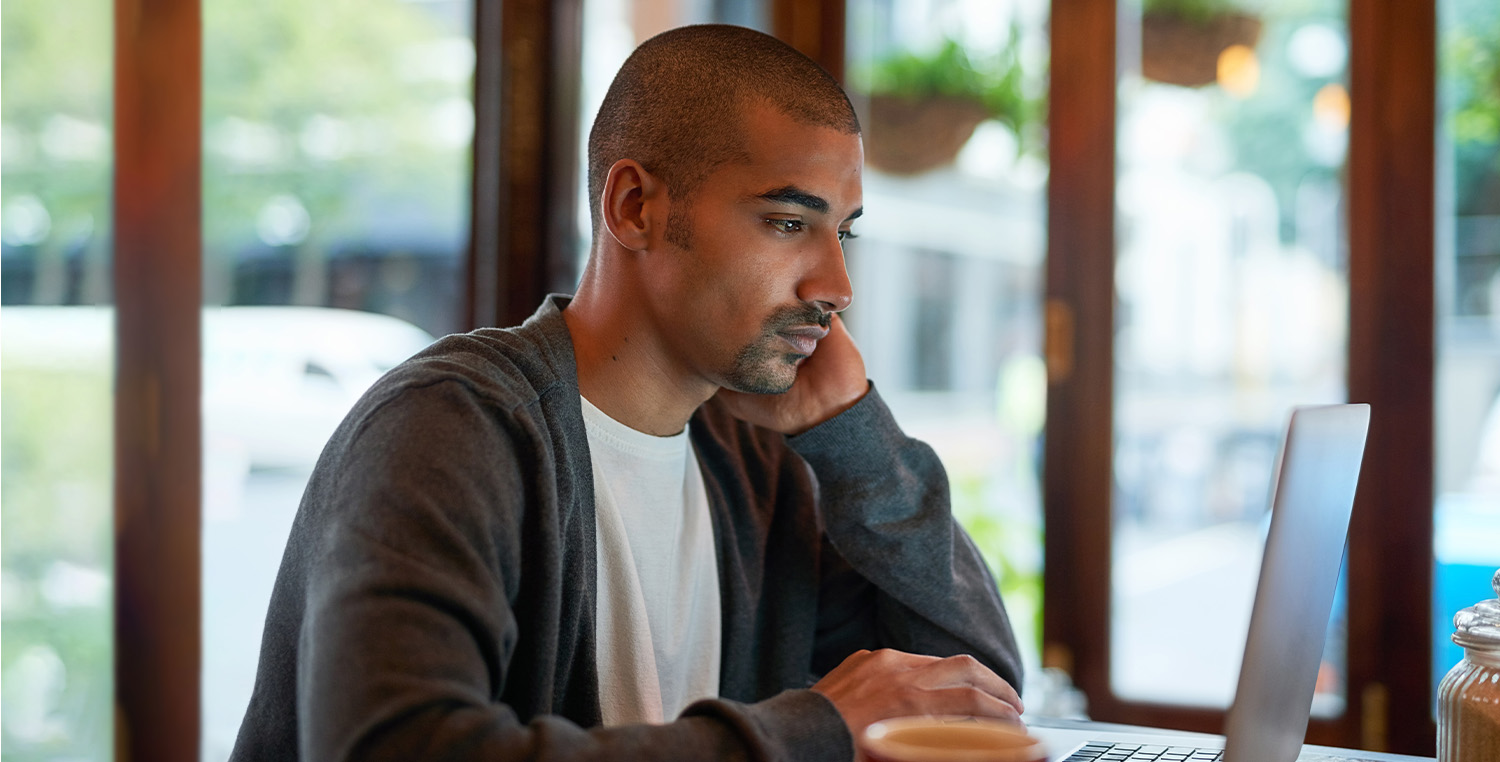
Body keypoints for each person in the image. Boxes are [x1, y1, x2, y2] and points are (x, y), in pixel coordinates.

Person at [230, 24, 1023, 762]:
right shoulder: (452, 426)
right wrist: (811, 731)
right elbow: (397, 744)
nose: (838, 284)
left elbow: (973, 698)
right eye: (787, 222)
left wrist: (854, 438)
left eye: (842, 232)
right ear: (634, 207)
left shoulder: (758, 467)